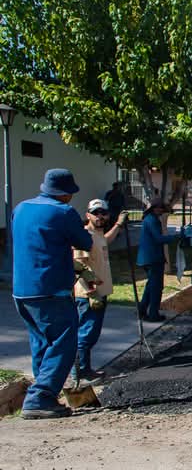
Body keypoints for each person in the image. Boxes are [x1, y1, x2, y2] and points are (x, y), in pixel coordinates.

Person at [12, 169, 93, 419]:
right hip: (51, 288)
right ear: (66, 193)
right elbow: (85, 243)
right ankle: (40, 397)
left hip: (22, 290)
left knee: (41, 342)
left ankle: (43, 395)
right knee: (63, 343)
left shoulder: (21, 208)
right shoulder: (64, 212)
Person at [72, 199, 128, 381]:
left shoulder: (97, 235)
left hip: (100, 292)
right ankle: (80, 373)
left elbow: (106, 241)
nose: (99, 216)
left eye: (103, 213)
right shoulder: (84, 236)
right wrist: (91, 292)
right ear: (88, 215)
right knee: (86, 334)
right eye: (95, 213)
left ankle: (85, 369)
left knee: (91, 334)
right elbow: (78, 266)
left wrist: (118, 225)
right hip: (88, 295)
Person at [136, 198, 179, 322]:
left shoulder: (150, 219)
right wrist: (175, 237)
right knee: (156, 288)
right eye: (159, 208)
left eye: (162, 208)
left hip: (149, 258)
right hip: (152, 258)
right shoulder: (152, 220)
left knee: (151, 286)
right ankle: (153, 314)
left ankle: (142, 310)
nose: (161, 210)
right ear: (153, 208)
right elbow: (158, 238)